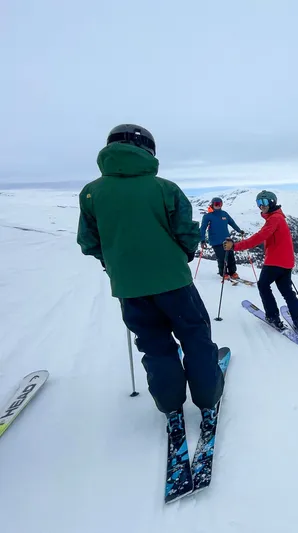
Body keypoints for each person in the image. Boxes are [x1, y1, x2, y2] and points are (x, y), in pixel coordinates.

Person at [77, 123, 225, 437]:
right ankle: (208, 402)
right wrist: (177, 260)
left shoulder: (91, 193)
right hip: (174, 283)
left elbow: (89, 242)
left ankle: (171, 408)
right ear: (148, 150)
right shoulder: (164, 188)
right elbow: (188, 234)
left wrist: (115, 265)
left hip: (130, 289)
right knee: (196, 339)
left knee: (156, 348)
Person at [223, 190, 298, 334]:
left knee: (263, 285)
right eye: (259, 203)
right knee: (286, 290)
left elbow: (258, 238)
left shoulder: (274, 219)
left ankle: (273, 316)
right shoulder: (278, 217)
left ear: (272, 202)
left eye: (264, 202)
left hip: (275, 262)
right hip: (286, 262)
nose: (261, 206)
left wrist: (235, 246)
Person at [200, 197, 243, 280]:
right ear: (212, 204)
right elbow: (202, 228)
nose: (218, 206)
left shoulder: (224, 214)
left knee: (231, 256)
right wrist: (202, 240)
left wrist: (239, 230)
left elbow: (232, 223)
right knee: (221, 258)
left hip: (227, 239)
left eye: (220, 204)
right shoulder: (208, 216)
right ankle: (223, 273)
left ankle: (232, 272)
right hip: (215, 241)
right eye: (216, 204)